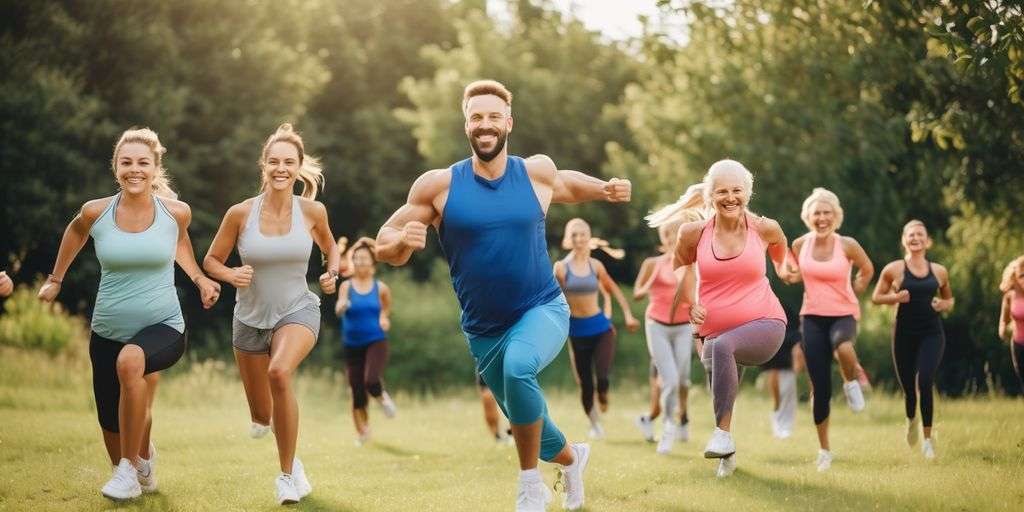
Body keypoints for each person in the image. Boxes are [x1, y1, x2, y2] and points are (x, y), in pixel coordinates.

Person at [375, 80, 631, 511]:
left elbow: (566, 183)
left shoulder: (534, 172)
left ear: (508, 123)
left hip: (543, 307)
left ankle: (529, 486)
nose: (485, 124)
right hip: (483, 328)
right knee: (528, 417)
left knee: (518, 371)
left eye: (494, 116)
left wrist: (604, 188)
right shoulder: (439, 186)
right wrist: (402, 243)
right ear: (466, 126)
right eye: (477, 117)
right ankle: (572, 459)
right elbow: (384, 243)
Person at [37, 128, 220, 500]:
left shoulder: (176, 212)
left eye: (142, 163)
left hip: (164, 326)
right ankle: (136, 465)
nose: (134, 170)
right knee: (109, 416)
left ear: (155, 168)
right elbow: (74, 233)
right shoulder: (95, 211)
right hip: (107, 328)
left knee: (130, 362)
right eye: (126, 163)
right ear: (116, 167)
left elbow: (179, 242)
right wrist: (56, 279)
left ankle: (128, 468)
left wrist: (200, 278)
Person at [203, 123, 342, 504]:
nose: (281, 168)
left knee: (279, 373)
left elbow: (332, 249)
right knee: (262, 415)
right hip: (249, 318)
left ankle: (284, 477)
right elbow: (211, 260)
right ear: (264, 165)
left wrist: (331, 274)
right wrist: (231, 273)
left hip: (298, 308)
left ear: (299, 167)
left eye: (289, 162)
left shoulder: (313, 211)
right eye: (274, 161)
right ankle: (293, 460)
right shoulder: (240, 213)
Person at [655, 160, 790, 477]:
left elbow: (781, 247)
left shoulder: (764, 228)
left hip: (766, 324)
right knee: (721, 379)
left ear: (748, 192)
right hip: (712, 332)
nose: (730, 197)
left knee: (723, 347)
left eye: (737, 190)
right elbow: (681, 267)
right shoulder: (693, 233)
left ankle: (722, 435)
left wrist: (785, 267)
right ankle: (726, 455)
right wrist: (691, 304)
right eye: (722, 191)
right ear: (709, 196)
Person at [782, 188, 874, 471]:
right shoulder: (799, 245)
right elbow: (790, 272)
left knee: (843, 346)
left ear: (836, 216)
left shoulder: (847, 244)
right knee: (819, 389)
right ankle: (824, 450)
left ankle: (850, 383)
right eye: (817, 213)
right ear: (808, 216)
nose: (822, 218)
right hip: (811, 317)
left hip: (844, 313)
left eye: (827, 213)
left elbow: (867, 268)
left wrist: (859, 284)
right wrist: (788, 275)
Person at [871, 220, 953, 460]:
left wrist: (942, 304)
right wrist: (895, 297)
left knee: (925, 381)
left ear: (927, 241)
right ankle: (911, 421)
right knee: (909, 389)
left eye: (920, 234)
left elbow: (949, 299)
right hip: (904, 333)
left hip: (932, 332)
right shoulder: (894, 269)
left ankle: (928, 440)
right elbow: (876, 297)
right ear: (904, 240)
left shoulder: (939, 271)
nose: (915, 238)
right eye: (911, 235)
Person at [554, 218, 638, 439]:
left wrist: (627, 314)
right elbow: (555, 302)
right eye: (575, 235)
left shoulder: (596, 266)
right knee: (585, 383)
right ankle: (595, 425)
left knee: (602, 377)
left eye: (583, 234)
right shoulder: (561, 268)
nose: (579, 238)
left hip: (601, 329)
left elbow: (612, 290)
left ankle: (604, 393)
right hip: (576, 332)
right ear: (569, 239)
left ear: (589, 237)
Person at [635, 205, 702, 454]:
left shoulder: (690, 264)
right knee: (670, 380)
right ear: (663, 238)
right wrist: (651, 281)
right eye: (668, 235)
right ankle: (667, 429)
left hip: (684, 326)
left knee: (683, 380)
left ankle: (682, 418)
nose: (673, 239)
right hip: (657, 326)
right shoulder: (652, 263)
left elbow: (697, 294)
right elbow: (638, 293)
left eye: (677, 234)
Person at [335, 237, 396, 445]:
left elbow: (386, 307)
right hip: (352, 344)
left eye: (364, 258)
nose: (360, 262)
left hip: (376, 340)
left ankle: (382, 398)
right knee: (357, 392)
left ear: (372, 263)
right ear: (353, 262)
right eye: (357, 258)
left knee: (371, 380)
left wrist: (383, 317)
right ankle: (363, 431)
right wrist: (342, 306)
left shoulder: (381, 288)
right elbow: (339, 304)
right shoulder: (346, 286)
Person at [998, 255, 1024, 391]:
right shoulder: (1009, 297)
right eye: (1022, 276)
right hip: (1018, 344)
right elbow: (1003, 319)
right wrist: (1002, 330)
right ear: (1016, 277)